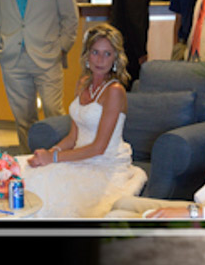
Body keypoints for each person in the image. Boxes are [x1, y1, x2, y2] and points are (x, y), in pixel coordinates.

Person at [19, 23, 147, 218]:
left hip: (103, 164)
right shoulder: (82, 83)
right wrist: (51, 152)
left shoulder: (114, 92)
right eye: (95, 52)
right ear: (87, 55)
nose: (100, 60)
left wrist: (53, 158)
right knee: (25, 171)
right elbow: (73, 136)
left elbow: (98, 148)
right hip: (78, 157)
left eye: (107, 54)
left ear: (115, 58)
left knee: (47, 190)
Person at [0, 0, 79, 151]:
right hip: (13, 59)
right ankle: (29, 162)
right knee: (23, 118)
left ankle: (59, 160)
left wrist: (62, 48)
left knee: (53, 112)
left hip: (48, 57)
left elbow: (70, 17)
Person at [110, 0, 153, 91]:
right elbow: (137, 21)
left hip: (121, 44)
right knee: (132, 87)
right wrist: (141, 52)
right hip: (131, 49)